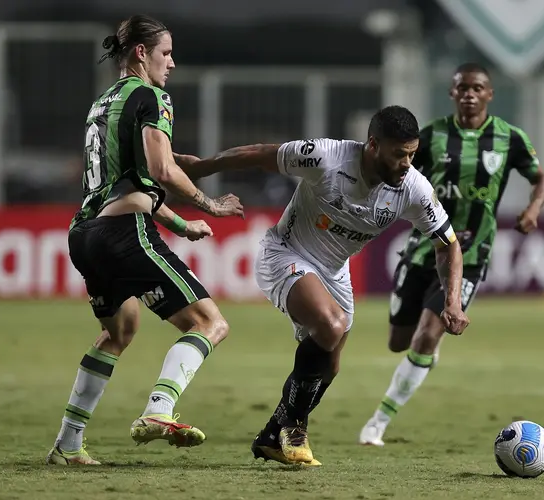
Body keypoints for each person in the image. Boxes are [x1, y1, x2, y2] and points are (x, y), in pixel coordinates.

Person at [180, 105, 470, 466]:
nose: (407, 163)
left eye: (412, 154)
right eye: (399, 155)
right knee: (330, 326)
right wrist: (200, 168)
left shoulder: (413, 188)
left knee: (329, 367)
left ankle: (273, 435)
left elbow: (449, 244)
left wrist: (453, 301)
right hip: (286, 252)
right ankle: (295, 427)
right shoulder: (326, 156)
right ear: (373, 145)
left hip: (335, 271)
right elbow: (259, 154)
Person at [46, 15, 245, 466]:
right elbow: (160, 173)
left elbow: (131, 182)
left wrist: (179, 224)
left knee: (119, 332)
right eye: (166, 52)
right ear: (141, 52)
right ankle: (159, 411)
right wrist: (208, 206)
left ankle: (68, 443)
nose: (171, 63)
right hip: (124, 232)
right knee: (210, 323)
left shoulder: (102, 103)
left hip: (84, 233)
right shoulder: (152, 96)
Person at [357, 63, 544, 447]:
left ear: (489, 95)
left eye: (477, 88)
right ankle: (428, 345)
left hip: (471, 254)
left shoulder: (508, 138)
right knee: (399, 341)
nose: (469, 93)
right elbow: (398, 171)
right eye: (462, 87)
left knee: (426, 336)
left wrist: (533, 209)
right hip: (422, 249)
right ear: (452, 93)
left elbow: (540, 178)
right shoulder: (432, 135)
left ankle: (378, 422)